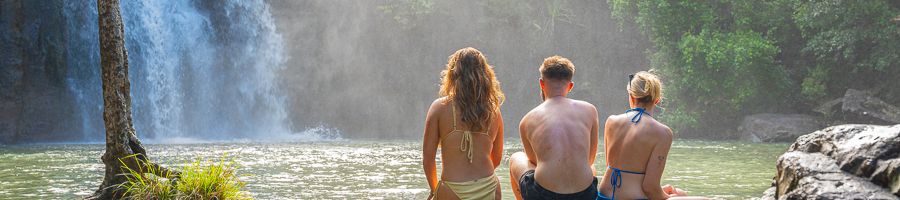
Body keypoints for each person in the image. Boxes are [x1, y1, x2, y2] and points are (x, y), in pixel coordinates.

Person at [509, 56, 600, 200]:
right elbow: (590, 158)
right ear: (570, 86)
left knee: (516, 157)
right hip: (585, 193)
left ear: (541, 84)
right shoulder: (590, 110)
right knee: (591, 168)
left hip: (544, 195)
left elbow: (534, 162)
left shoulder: (527, 120)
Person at [599, 71, 701, 200]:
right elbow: (650, 188)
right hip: (634, 197)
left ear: (631, 96)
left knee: (678, 193)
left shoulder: (611, 121)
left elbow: (611, 163)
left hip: (604, 196)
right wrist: (668, 196)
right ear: (657, 100)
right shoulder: (663, 133)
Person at [423, 47, 505, 200]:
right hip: (488, 187)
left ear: (453, 75)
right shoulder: (494, 111)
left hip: (452, 189)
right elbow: (497, 158)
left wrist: (435, 190)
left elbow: (428, 159)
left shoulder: (439, 108)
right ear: (485, 75)